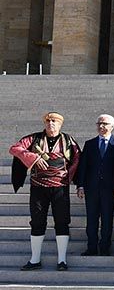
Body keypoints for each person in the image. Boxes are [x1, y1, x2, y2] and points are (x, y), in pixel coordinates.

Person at [10, 112, 82, 271]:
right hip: (38, 187)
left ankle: (62, 260)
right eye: (48, 121)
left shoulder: (69, 141)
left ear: (60, 124)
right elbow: (15, 148)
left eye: (54, 121)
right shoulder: (33, 139)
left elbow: (77, 160)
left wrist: (72, 179)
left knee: (62, 221)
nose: (51, 123)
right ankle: (35, 259)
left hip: (60, 187)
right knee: (37, 222)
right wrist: (33, 158)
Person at [75, 114, 114, 256]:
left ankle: (105, 247)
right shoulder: (90, 144)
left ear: (112, 126)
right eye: (99, 123)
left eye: (105, 123)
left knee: (107, 219)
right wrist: (80, 185)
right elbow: (83, 166)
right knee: (91, 219)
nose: (101, 126)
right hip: (92, 188)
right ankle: (91, 247)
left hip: (109, 189)